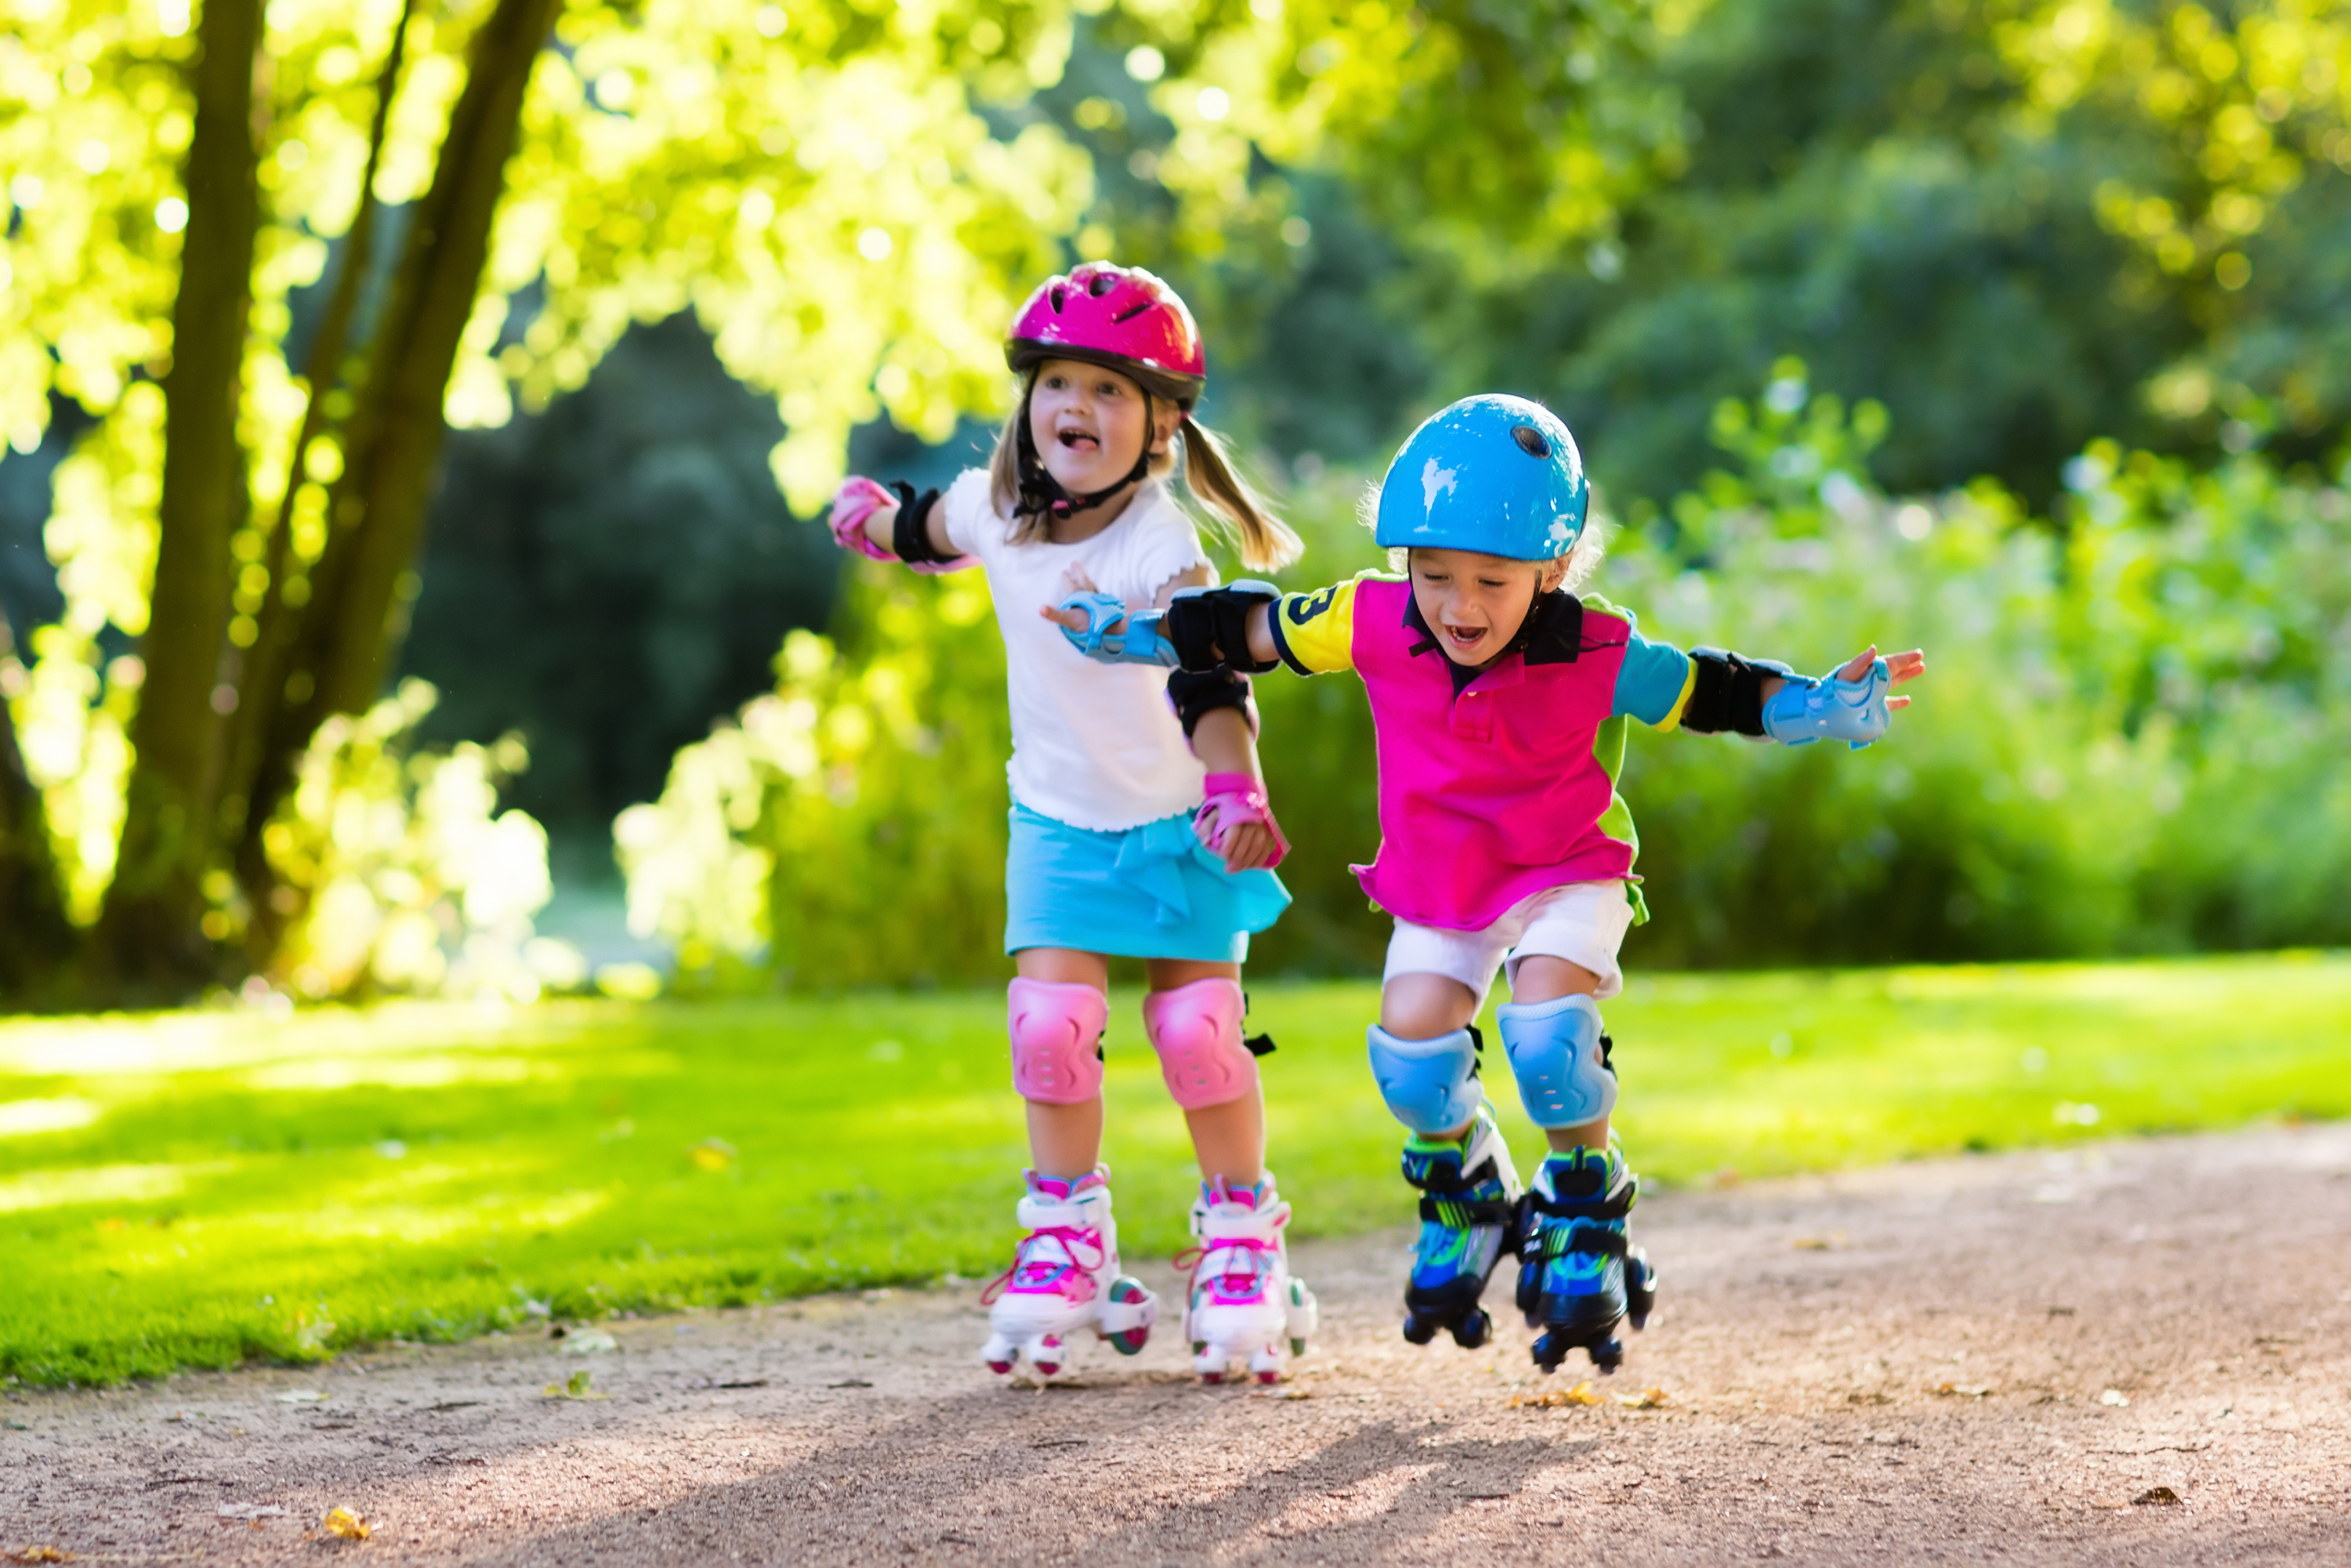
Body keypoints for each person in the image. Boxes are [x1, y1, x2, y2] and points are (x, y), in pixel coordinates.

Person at [1049, 393, 1927, 1374]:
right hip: (1441, 878)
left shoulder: (1597, 651)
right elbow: (1248, 627)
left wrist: (1810, 706)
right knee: (1409, 1050)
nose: (1461, 607)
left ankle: (1585, 1199)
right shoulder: (1373, 620)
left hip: (1566, 871)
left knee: (1549, 1030)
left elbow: (1712, 687)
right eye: (1434, 576)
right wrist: (1135, 634)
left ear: (1552, 570)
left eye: (1494, 582)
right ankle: (1468, 1186)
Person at [825, 262, 1319, 1385]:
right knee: (1049, 1025)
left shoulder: (1160, 546)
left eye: (1108, 389)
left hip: (1181, 820)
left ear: (1160, 425)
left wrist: (1235, 788)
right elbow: (931, 526)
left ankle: (1242, 1230)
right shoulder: (1000, 509)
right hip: (1055, 820)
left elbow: (1209, 682)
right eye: (1058, 383)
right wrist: (878, 521)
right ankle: (1067, 1236)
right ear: (1027, 400)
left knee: (1200, 1035)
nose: (1075, 409)